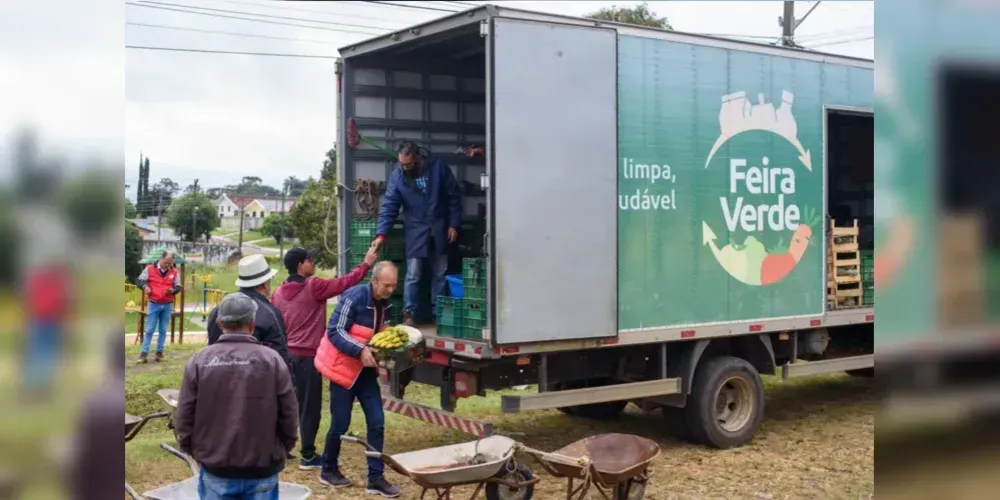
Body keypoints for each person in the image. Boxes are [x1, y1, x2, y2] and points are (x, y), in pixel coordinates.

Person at [174, 293, 299, 500]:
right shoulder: (273, 360)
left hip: (216, 469)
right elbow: (289, 413)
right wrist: (282, 448)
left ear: (218, 322)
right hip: (263, 468)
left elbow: (184, 414)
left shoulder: (199, 361)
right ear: (252, 323)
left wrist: (193, 450)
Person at [271, 245, 377, 470]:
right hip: (308, 358)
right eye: (310, 259)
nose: (313, 262)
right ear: (301, 265)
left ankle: (281, 447)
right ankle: (308, 455)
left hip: (285, 356)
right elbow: (344, 283)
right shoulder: (314, 286)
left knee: (289, 403)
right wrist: (366, 264)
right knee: (310, 407)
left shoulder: (277, 293)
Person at [314, 261, 400, 497]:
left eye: (393, 286)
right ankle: (328, 469)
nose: (390, 290)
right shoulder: (353, 297)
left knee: (377, 422)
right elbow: (335, 330)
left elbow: (382, 336)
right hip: (342, 370)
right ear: (373, 281)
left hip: (366, 374)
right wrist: (360, 350)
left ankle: (375, 478)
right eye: (386, 285)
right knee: (340, 424)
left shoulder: (388, 304)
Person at [372, 140, 462, 326]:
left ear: (418, 158)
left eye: (408, 164)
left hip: (439, 228)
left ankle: (439, 315)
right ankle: (409, 314)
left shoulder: (438, 168)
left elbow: (454, 195)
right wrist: (381, 234)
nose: (404, 168)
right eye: (401, 164)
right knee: (413, 274)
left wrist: (454, 223)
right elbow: (389, 206)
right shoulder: (398, 176)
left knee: (439, 273)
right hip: (415, 230)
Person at [206, 254, 292, 371]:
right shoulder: (270, 313)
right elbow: (281, 358)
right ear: (265, 283)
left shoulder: (218, 310)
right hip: (256, 382)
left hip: (219, 380)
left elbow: (211, 349)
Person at [135, 250, 182, 363]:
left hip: (167, 304)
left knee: (163, 330)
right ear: (161, 258)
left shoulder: (174, 271)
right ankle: (143, 354)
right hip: (154, 303)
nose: (167, 265)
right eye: (166, 262)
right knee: (150, 329)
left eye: (169, 263)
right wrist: (145, 286)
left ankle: (159, 353)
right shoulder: (150, 269)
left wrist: (173, 290)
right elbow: (139, 280)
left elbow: (179, 286)